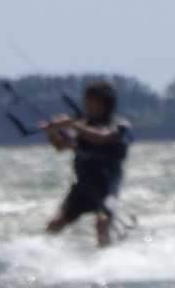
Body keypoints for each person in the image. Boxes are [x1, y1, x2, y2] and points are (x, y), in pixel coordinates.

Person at [42, 80, 132, 247]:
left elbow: (102, 137)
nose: (87, 105)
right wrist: (51, 132)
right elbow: (61, 146)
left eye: (91, 102)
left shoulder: (120, 125)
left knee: (102, 221)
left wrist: (72, 124)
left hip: (106, 185)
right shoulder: (82, 125)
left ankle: (105, 258)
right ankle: (39, 257)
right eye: (86, 101)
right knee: (55, 223)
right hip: (82, 185)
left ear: (104, 104)